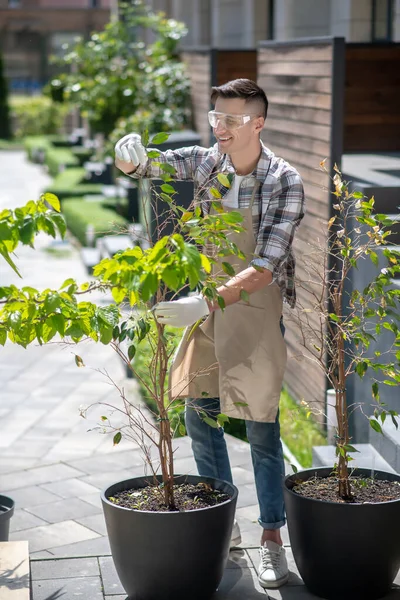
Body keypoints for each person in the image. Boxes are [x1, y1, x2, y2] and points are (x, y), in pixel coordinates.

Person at [115, 78, 305, 590]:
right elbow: (156, 164)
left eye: (231, 120)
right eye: (215, 117)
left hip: (255, 310)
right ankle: (224, 528)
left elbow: (266, 264)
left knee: (261, 426)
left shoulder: (283, 180)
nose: (219, 127)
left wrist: (208, 299)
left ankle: (271, 540)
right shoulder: (207, 164)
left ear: (258, 123)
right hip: (209, 309)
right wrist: (132, 159)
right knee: (199, 414)